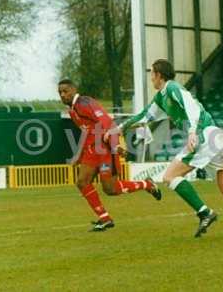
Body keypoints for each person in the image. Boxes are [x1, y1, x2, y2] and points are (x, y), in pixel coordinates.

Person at [104, 59, 223, 238]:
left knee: (169, 176)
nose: (151, 79)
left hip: (205, 137)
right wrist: (118, 129)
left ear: (159, 75)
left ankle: (204, 212)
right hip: (218, 138)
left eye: (152, 75)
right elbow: (144, 116)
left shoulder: (172, 88)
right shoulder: (161, 98)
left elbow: (192, 107)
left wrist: (192, 132)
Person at [58, 79, 161, 232]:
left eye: (65, 91)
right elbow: (87, 131)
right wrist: (78, 155)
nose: (62, 95)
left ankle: (147, 184)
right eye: (60, 92)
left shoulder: (85, 103)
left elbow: (107, 121)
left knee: (111, 189)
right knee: (82, 182)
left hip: (105, 149)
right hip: (92, 150)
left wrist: (115, 145)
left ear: (73, 89)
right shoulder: (73, 110)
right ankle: (105, 219)